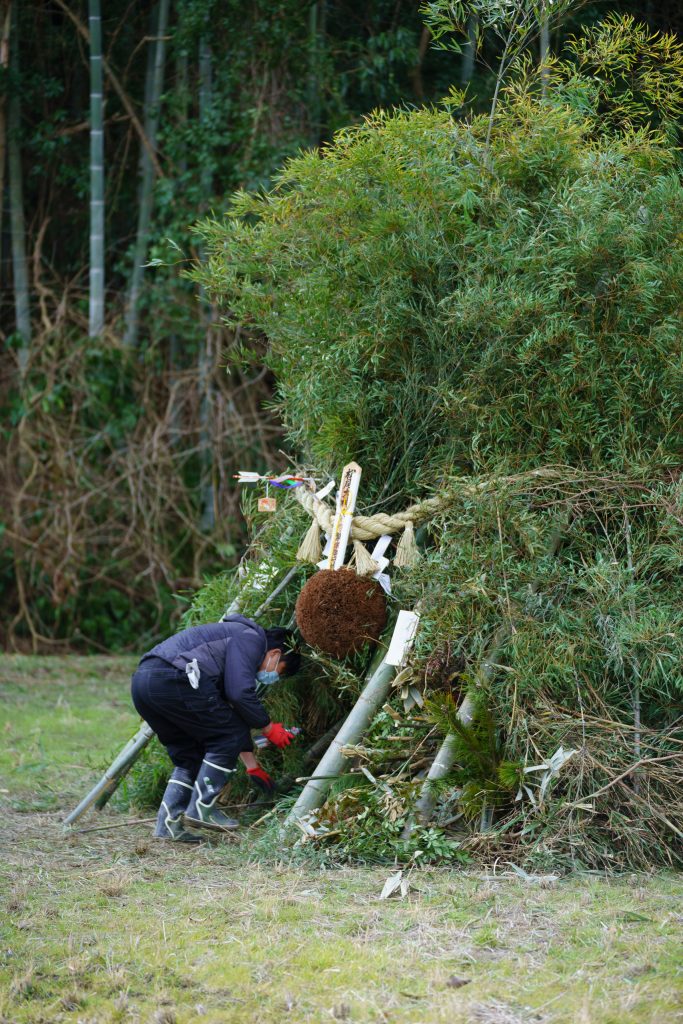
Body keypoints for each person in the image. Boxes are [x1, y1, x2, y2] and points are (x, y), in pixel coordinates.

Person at [130, 614, 301, 842]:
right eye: (278, 672)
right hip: (175, 676)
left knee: (189, 755)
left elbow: (228, 718)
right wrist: (269, 728)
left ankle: (168, 826)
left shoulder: (233, 640)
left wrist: (252, 766)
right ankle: (201, 810)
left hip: (145, 681)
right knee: (228, 735)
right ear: (275, 654)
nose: (272, 677)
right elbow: (239, 695)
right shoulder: (252, 638)